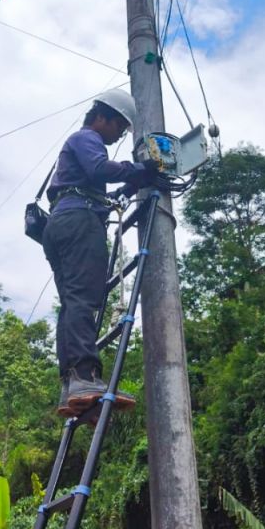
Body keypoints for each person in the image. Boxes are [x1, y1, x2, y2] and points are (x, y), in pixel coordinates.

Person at [43, 89, 159, 416]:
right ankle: (85, 376)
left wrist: (131, 182)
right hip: (78, 221)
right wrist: (140, 169)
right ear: (101, 117)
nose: (121, 133)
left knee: (71, 304)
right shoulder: (87, 138)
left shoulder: (79, 147)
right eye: (119, 125)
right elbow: (99, 169)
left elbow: (98, 178)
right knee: (83, 298)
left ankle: (71, 386)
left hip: (63, 220)